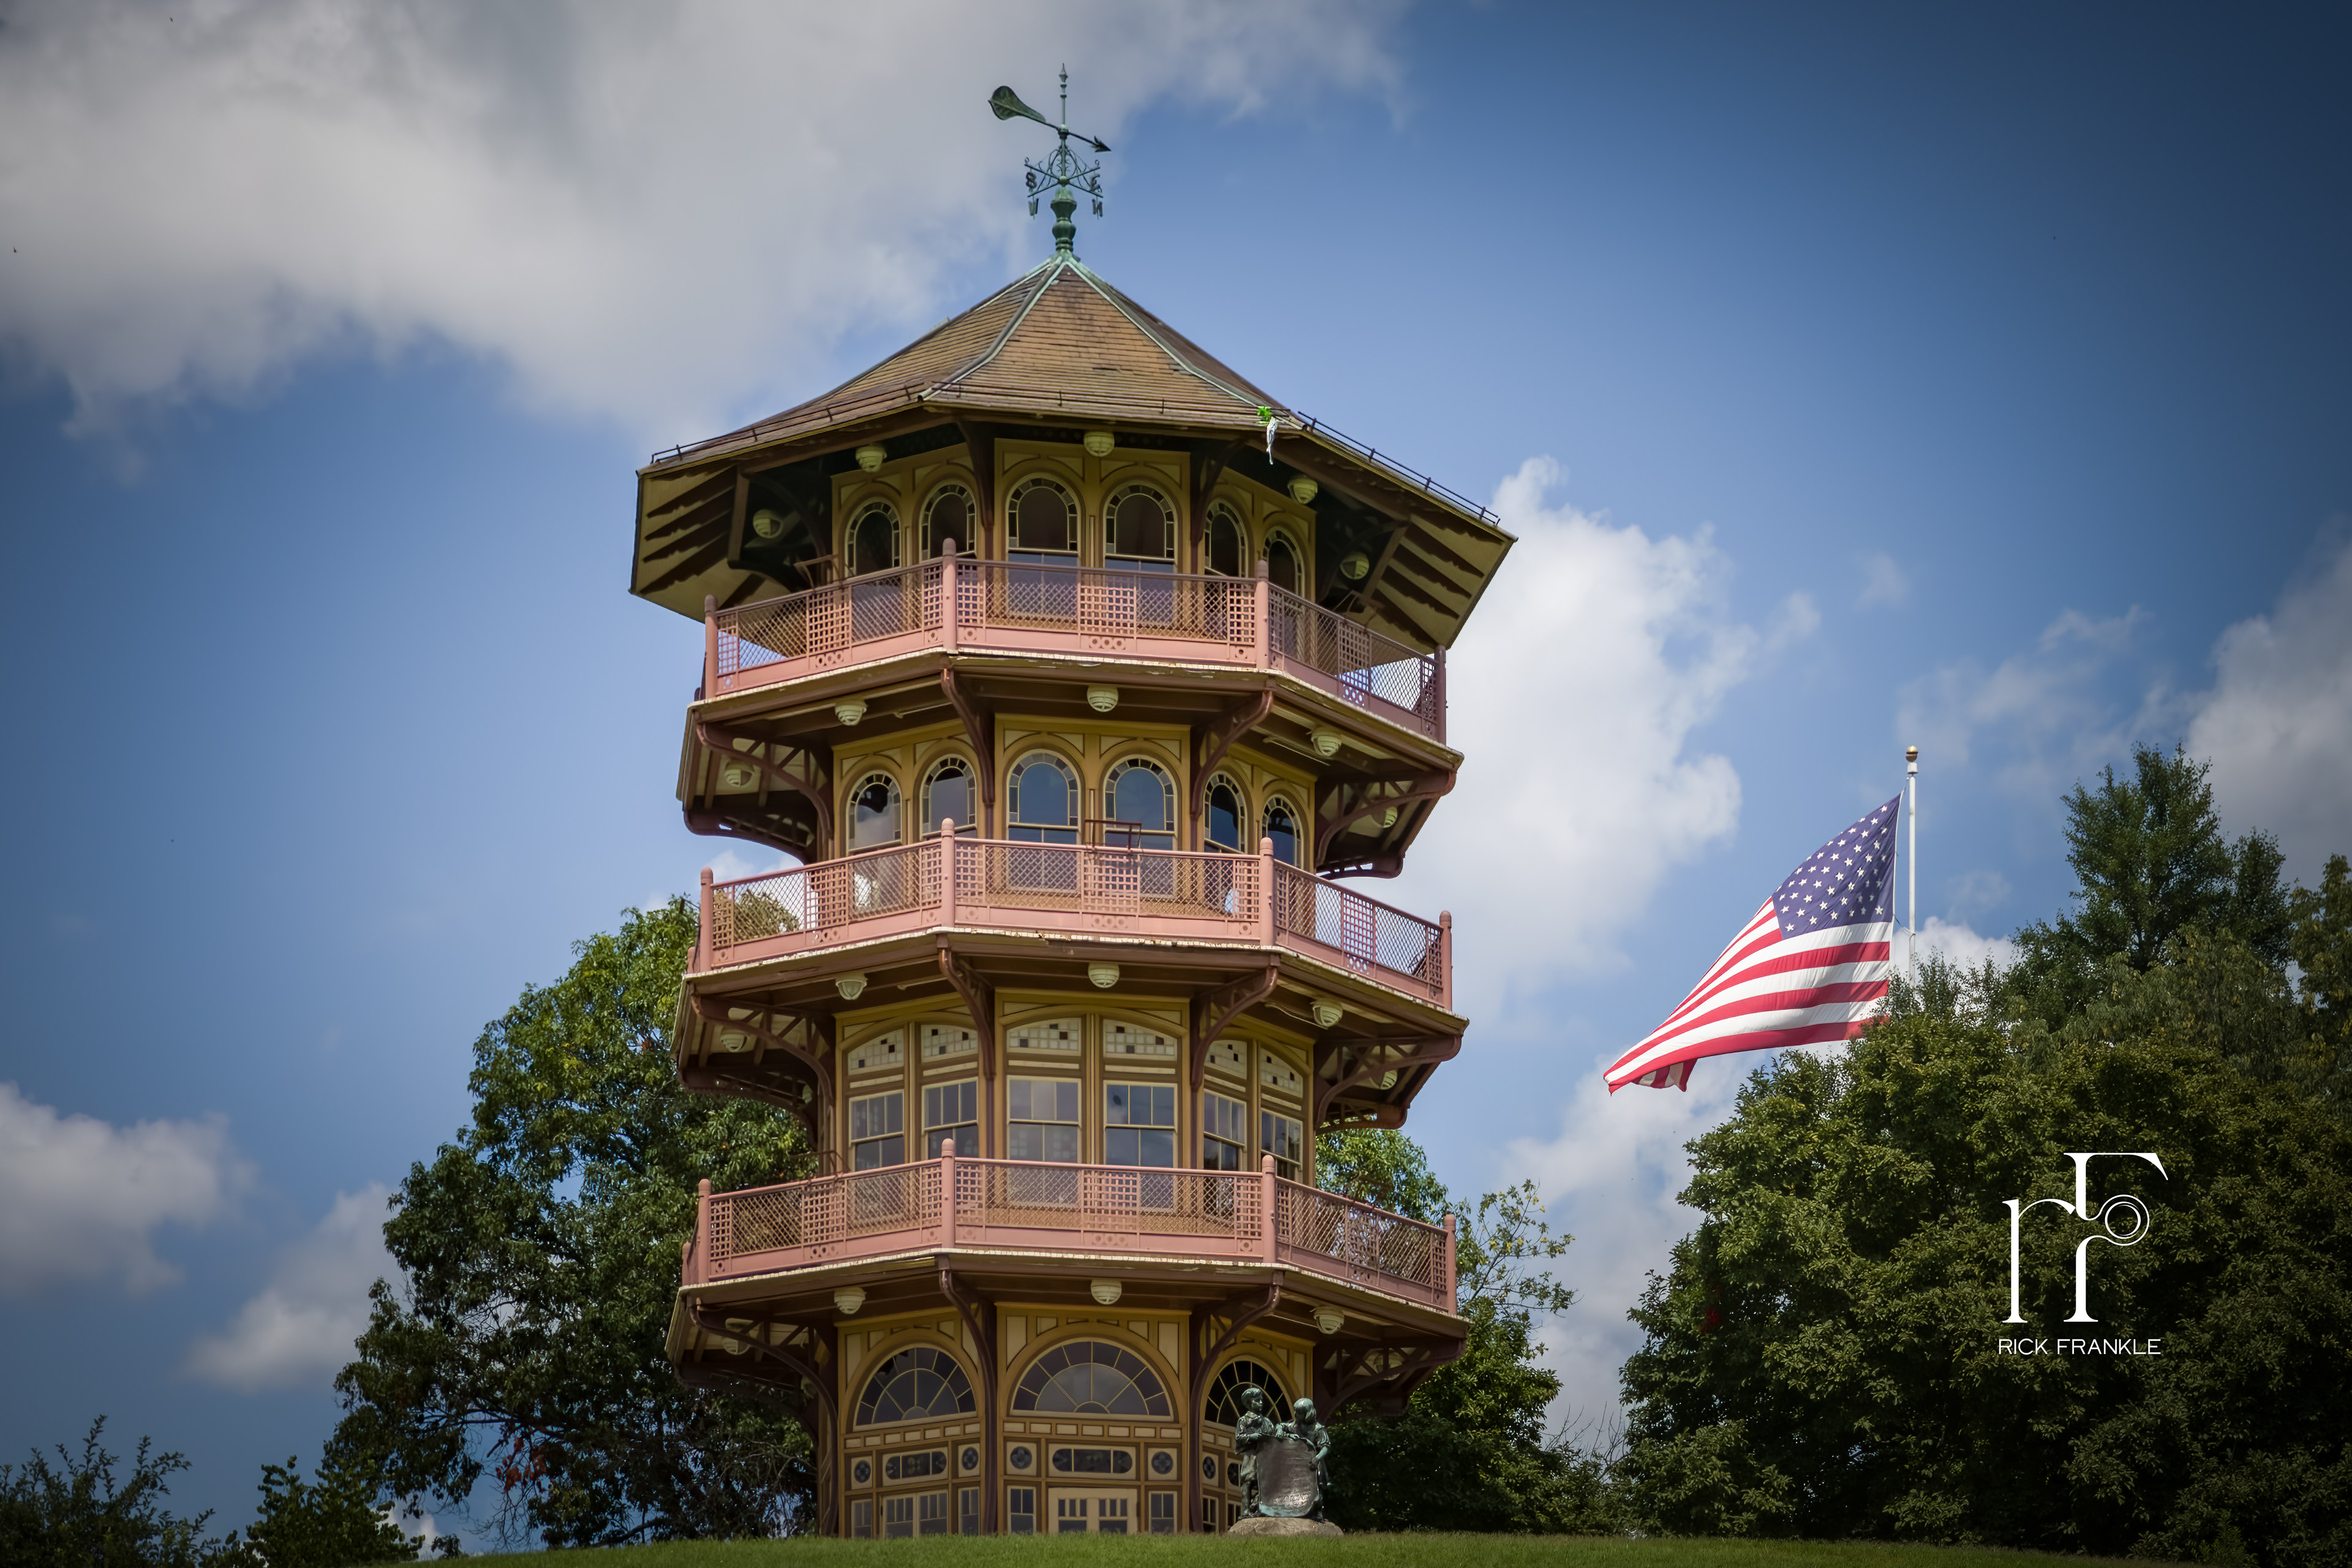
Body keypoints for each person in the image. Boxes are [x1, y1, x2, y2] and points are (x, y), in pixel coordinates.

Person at [1280, 1397, 1332, 1521]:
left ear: (1307, 1414)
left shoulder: (1318, 1429)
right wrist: (1279, 1429)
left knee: (1317, 1484)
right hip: (1297, 1462)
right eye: (1295, 1412)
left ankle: (1317, 1510)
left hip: (1313, 1462)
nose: (1295, 1415)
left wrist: (1317, 1458)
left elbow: (1325, 1446)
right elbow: (1282, 1426)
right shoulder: (1294, 1426)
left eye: (1298, 1412)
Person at [1231, 1385, 1277, 1517]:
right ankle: (1245, 1511)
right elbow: (1239, 1438)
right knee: (1248, 1481)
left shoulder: (1267, 1422)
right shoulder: (1244, 1421)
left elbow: (1273, 1437)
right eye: (1257, 1400)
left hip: (1265, 1457)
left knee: (1264, 1482)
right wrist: (1251, 1437)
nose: (1261, 1403)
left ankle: (1262, 1508)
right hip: (1251, 1456)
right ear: (1249, 1403)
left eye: (1261, 1400)